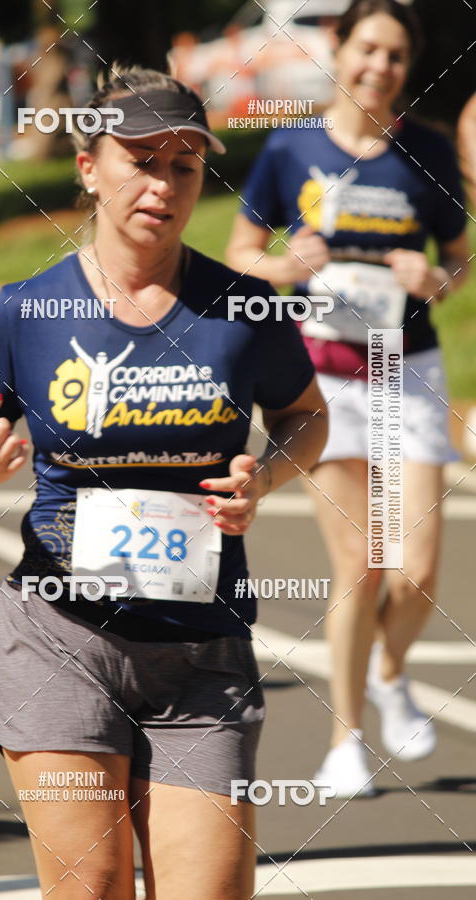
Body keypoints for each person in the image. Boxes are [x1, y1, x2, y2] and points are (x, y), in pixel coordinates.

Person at [0, 66, 327, 898]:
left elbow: (306, 416)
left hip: (201, 651)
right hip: (58, 642)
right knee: (94, 886)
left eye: (184, 164)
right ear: (88, 168)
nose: (164, 181)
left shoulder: (246, 307)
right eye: (141, 158)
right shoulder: (21, 311)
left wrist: (268, 477)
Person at [226, 0, 470, 798]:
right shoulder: (289, 146)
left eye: (397, 57)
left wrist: (434, 278)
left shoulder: (426, 151)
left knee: (420, 570)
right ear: (341, 46)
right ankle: (344, 744)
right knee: (362, 564)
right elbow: (239, 258)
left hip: (409, 369)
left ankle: (392, 672)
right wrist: (284, 263)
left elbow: (461, 261)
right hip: (321, 378)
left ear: (409, 67)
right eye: (369, 48)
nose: (380, 67)